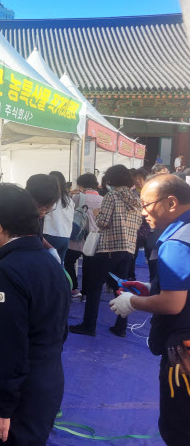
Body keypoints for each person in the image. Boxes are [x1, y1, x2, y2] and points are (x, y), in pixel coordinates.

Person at [0, 183, 70, 445]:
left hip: (22, 392)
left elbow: (10, 345)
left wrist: (2, 407)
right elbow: (60, 330)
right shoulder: (49, 260)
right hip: (47, 379)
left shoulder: (9, 270)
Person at [109, 175, 190, 446]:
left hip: (184, 352)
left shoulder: (177, 241)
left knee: (179, 426)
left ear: (171, 202)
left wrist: (132, 302)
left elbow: (173, 303)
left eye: (146, 204)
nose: (143, 212)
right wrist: (153, 286)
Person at [69, 165, 142, 337]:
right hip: (128, 248)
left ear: (111, 179)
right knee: (121, 288)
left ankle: (88, 326)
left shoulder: (111, 196)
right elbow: (138, 224)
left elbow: (102, 222)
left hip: (108, 248)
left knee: (94, 287)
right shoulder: (136, 199)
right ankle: (120, 327)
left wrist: (97, 213)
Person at [65, 173, 102, 299]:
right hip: (94, 237)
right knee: (89, 265)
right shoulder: (102, 199)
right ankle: (87, 291)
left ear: (80, 185)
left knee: (68, 261)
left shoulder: (77, 198)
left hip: (77, 236)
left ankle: (74, 288)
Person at [25, 174, 62, 261]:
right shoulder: (19, 216)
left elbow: (38, 236)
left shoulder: (38, 214)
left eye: (48, 208)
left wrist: (51, 249)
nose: (43, 212)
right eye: (39, 206)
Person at [42, 171, 75, 264]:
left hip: (50, 234)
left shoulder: (50, 197)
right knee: (59, 266)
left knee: (47, 266)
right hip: (65, 237)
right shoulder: (68, 199)